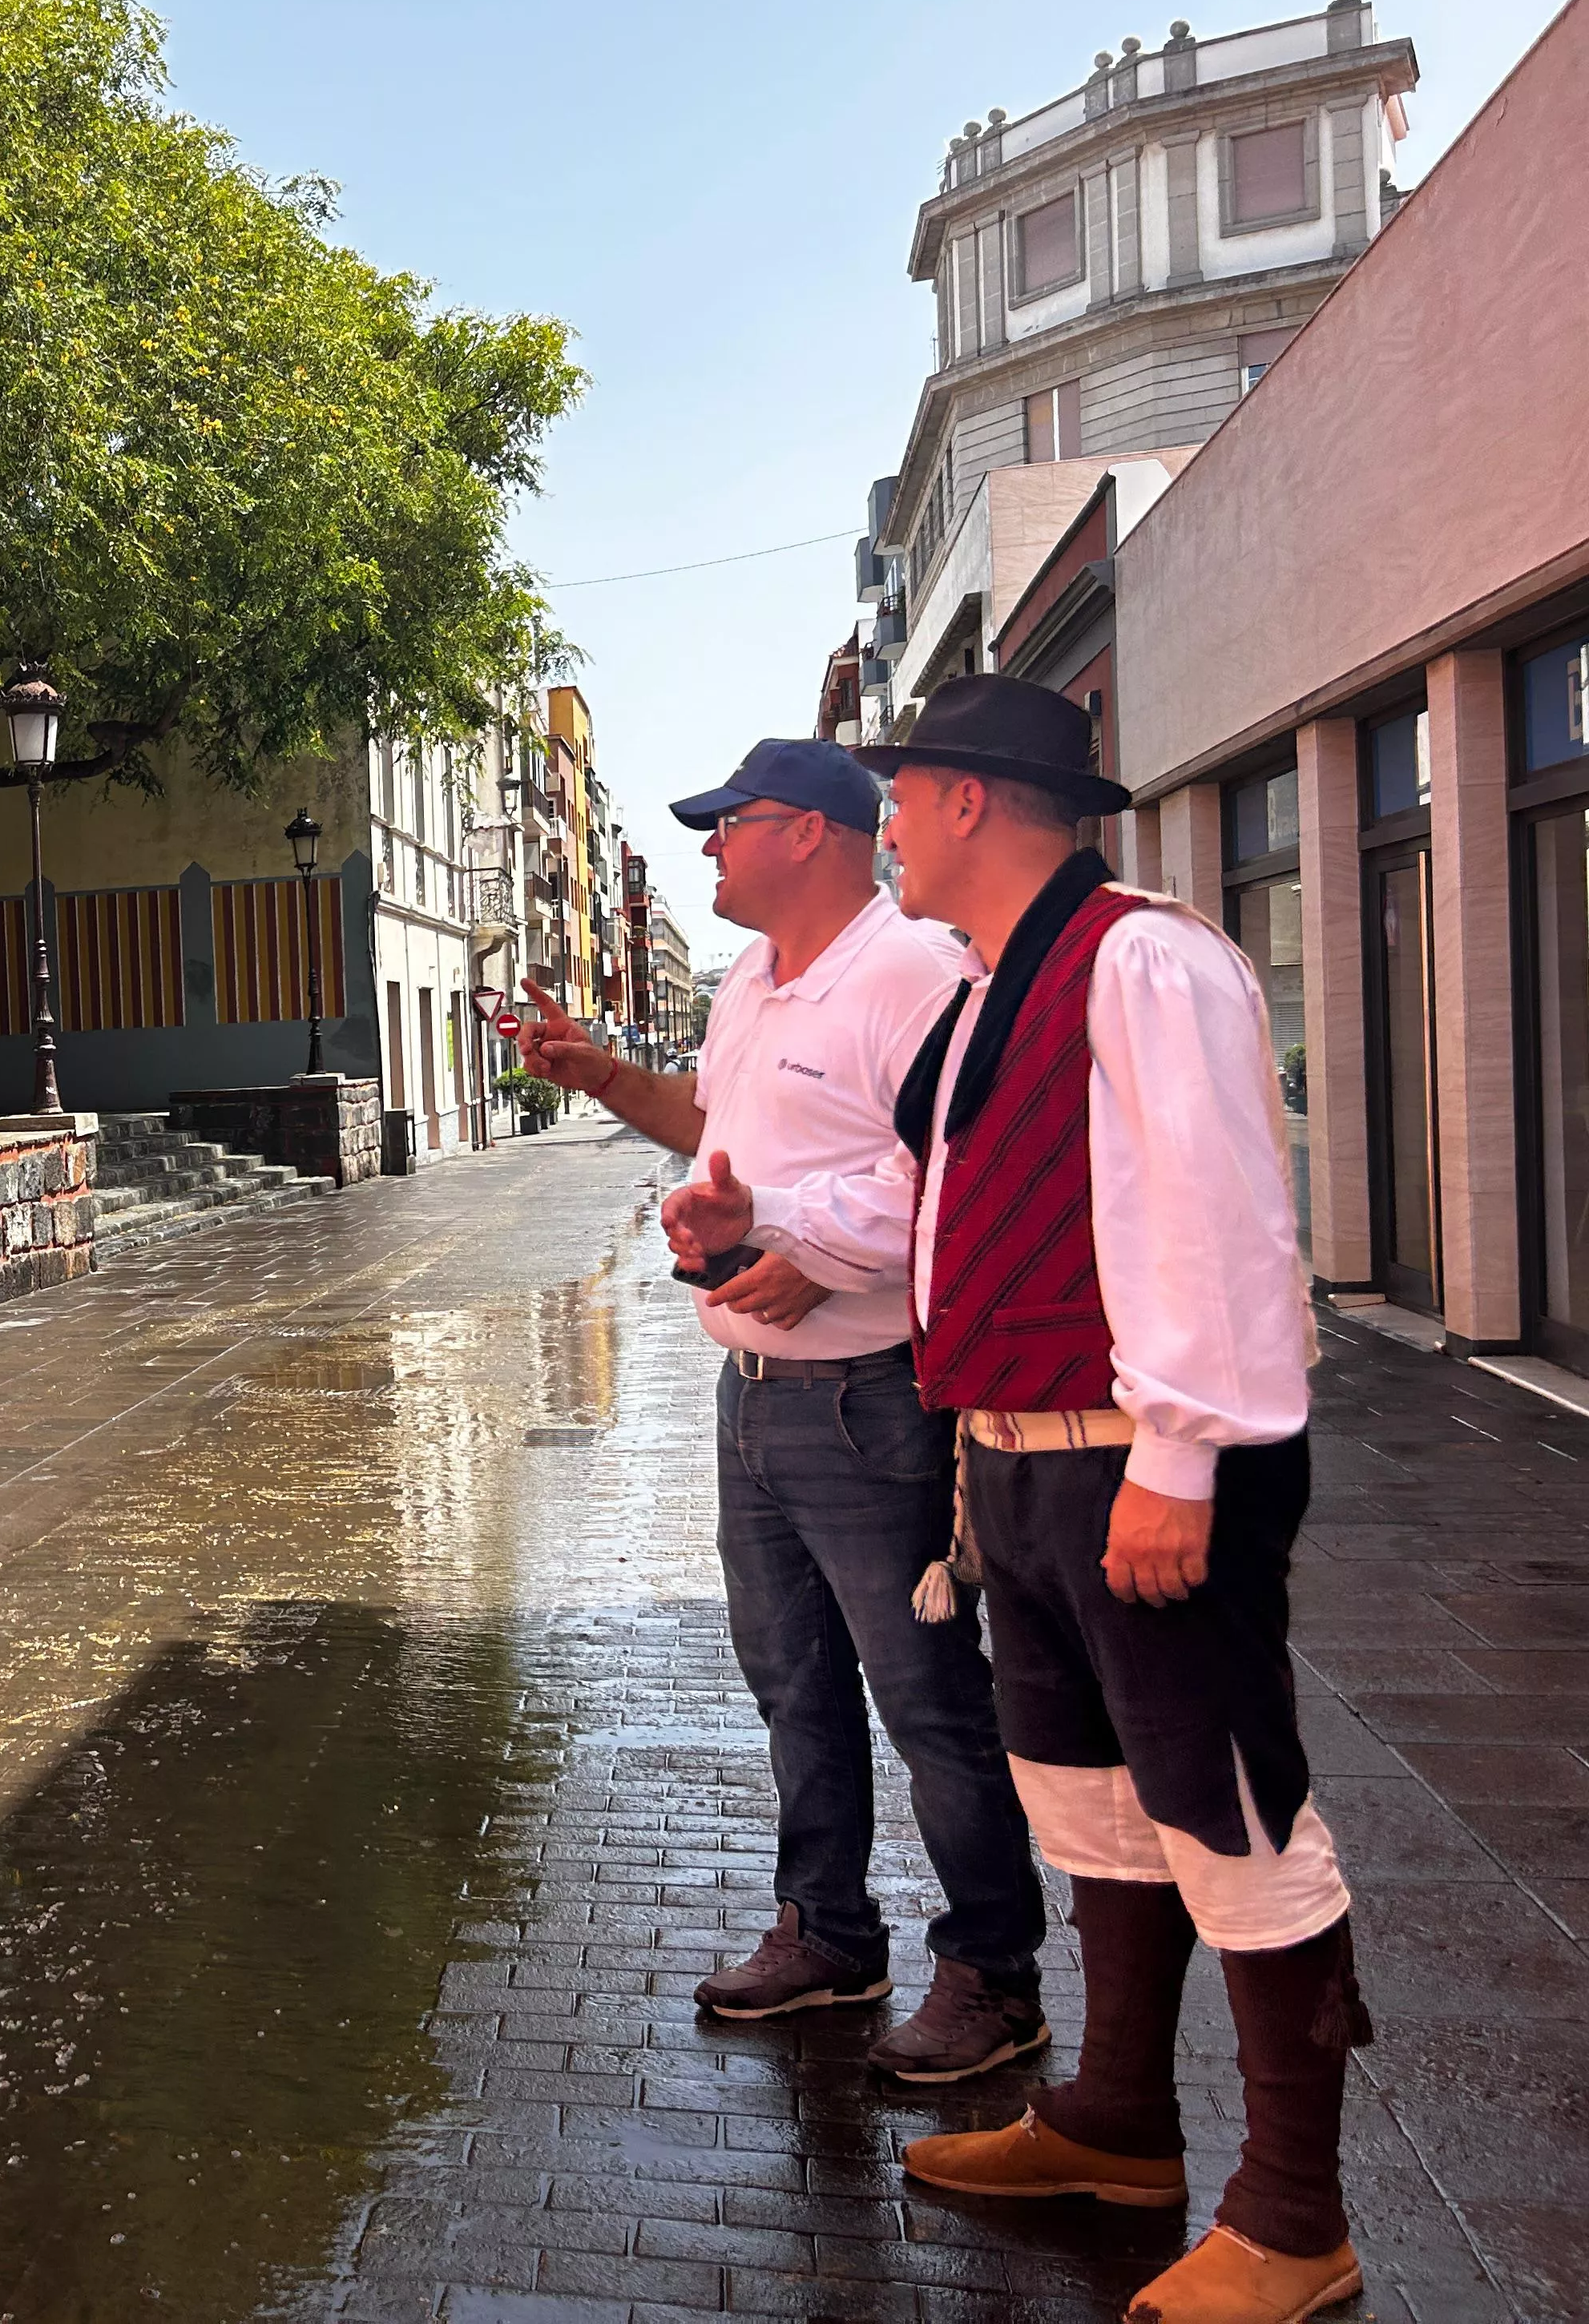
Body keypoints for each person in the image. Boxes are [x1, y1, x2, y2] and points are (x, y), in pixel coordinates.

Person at [667, 675, 1358, 2324]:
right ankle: (1115, 2123)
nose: (886, 819)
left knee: (1233, 1819)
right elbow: (945, 1213)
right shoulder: (989, 995)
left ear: (973, 799)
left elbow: (1218, 1217)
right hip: (1027, 1457)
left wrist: (1182, 1458)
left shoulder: (1142, 957)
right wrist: (777, 1247)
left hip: (1139, 1459)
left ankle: (1294, 2217)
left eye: (902, 796)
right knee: (1097, 1810)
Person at [517, 737, 1047, 2082]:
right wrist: (603, 1080)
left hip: (875, 1401)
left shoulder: (916, 977)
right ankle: (828, 1931)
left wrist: (802, 1245)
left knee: (927, 1698)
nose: (707, 847)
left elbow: (946, 1168)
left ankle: (993, 1972)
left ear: (809, 833)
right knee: (792, 1683)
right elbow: (716, 1128)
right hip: (752, 1393)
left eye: (728, 823)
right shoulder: (755, 977)